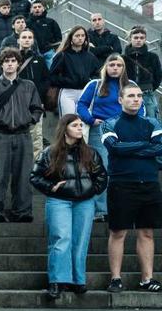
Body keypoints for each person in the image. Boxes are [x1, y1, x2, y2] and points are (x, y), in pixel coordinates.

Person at [30, 114, 108, 298]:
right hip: (59, 200)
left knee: (80, 241)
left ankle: (78, 280)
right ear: (65, 128)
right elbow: (35, 176)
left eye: (81, 125)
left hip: (85, 202)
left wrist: (91, 190)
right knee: (61, 238)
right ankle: (57, 281)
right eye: (75, 125)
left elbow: (102, 176)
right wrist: (51, 187)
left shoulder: (90, 152)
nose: (80, 128)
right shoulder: (50, 152)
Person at [100, 82, 162, 293]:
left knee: (147, 232)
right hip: (121, 184)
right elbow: (115, 148)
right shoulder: (110, 123)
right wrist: (146, 146)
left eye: (138, 96)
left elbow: (160, 147)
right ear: (120, 99)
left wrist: (132, 148)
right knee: (118, 232)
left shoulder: (152, 122)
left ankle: (147, 278)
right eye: (130, 96)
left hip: (149, 184)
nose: (136, 99)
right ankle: (116, 278)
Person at [0, 48, 44, 223]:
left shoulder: (29, 85)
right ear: (1, 64)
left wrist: (30, 119)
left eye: (13, 61)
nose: (10, 64)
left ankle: (22, 211)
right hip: (0, 135)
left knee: (24, 175)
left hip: (23, 134)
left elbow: (37, 108)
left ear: (18, 63)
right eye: (6, 61)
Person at [77, 54, 128, 221]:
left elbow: (140, 108)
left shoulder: (130, 86)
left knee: (122, 170)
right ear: (106, 67)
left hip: (123, 131)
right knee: (102, 170)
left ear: (123, 68)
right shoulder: (95, 84)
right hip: (99, 131)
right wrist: (91, 120)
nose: (115, 68)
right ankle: (100, 211)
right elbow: (81, 104)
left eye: (119, 65)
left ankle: (121, 209)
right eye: (112, 64)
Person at [49, 26, 101, 117]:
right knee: (68, 121)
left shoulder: (90, 56)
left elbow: (98, 73)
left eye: (82, 35)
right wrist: (67, 81)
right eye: (77, 35)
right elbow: (52, 76)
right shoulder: (62, 55)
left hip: (85, 92)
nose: (80, 38)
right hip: (67, 93)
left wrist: (89, 80)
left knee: (84, 121)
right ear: (71, 38)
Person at [123, 27, 160, 119]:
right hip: (128, 93)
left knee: (151, 123)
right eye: (136, 38)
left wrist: (149, 86)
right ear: (130, 39)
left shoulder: (153, 57)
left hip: (147, 94)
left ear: (145, 39)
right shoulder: (123, 58)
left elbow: (158, 76)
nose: (139, 40)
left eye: (142, 38)